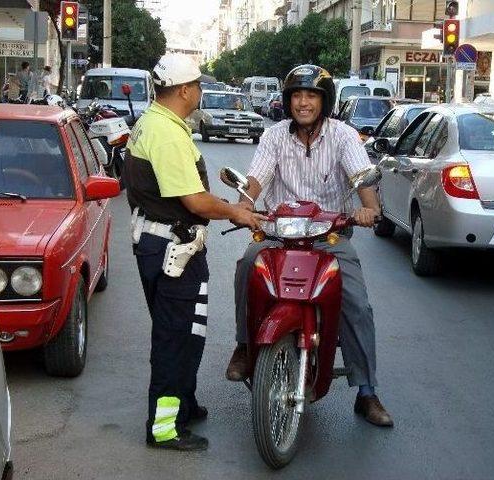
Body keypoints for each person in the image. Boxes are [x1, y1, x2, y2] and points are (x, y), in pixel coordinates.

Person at [224, 64, 394, 428]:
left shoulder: (344, 137)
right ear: (288, 101)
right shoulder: (274, 137)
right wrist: (244, 204)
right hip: (279, 233)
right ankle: (243, 345)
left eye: (311, 96)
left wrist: (369, 208)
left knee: (357, 303)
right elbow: (256, 178)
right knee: (247, 264)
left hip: (329, 236)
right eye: (297, 96)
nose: (303, 103)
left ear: (324, 101)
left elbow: (362, 176)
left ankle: (366, 391)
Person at [122, 53, 266, 451]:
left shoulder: (155, 122)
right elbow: (196, 203)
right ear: (185, 90)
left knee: (187, 333)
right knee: (176, 338)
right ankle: (165, 427)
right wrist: (237, 211)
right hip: (173, 250)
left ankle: (183, 403)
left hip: (161, 243)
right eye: (199, 85)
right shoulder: (167, 134)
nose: (200, 92)